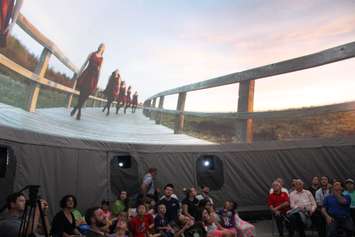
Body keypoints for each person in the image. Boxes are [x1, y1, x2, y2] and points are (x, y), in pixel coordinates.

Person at [71, 43, 105, 120]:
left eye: (102, 47)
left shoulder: (102, 59)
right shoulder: (91, 54)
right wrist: (79, 73)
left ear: (103, 49)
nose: (101, 47)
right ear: (98, 46)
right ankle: (79, 111)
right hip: (87, 74)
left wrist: (98, 80)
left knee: (86, 95)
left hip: (94, 77)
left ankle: (76, 108)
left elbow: (100, 70)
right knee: (81, 93)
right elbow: (85, 63)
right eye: (100, 45)